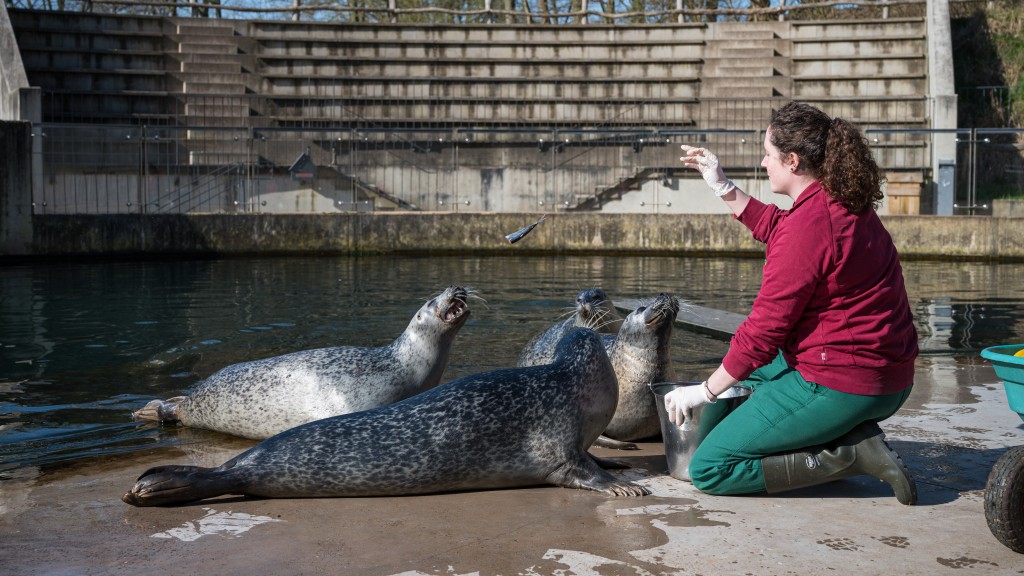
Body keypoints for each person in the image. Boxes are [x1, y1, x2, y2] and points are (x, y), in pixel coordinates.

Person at [664, 101, 919, 505]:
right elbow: (779, 226)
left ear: (793, 160)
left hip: (846, 382)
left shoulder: (809, 227)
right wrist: (721, 185)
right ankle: (838, 430)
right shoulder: (837, 202)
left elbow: (762, 335)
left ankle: (850, 454)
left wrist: (705, 392)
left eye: (768, 154)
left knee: (710, 468)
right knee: (748, 376)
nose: (764, 163)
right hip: (887, 377)